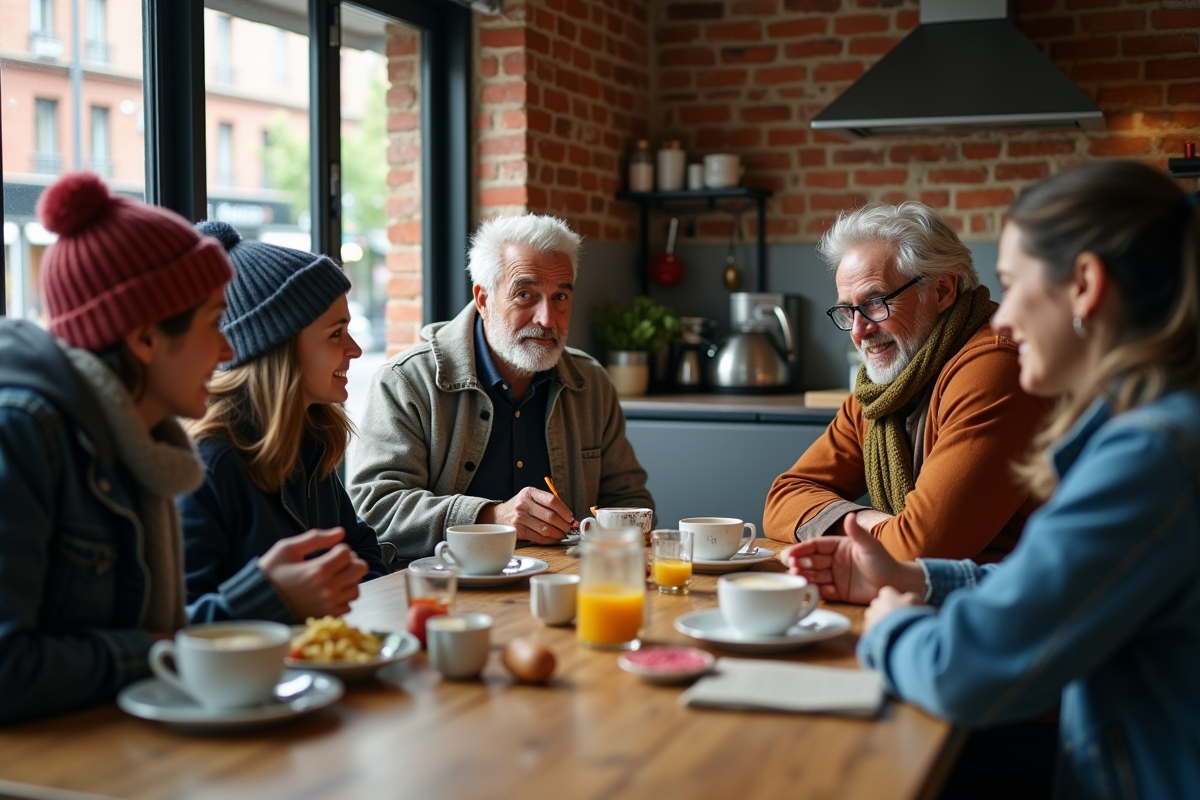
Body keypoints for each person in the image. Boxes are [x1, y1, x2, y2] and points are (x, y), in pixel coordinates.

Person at [785, 161, 1200, 799]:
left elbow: (964, 672)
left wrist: (893, 621)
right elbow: (1060, 578)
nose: (1003, 321)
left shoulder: (1148, 455)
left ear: (1085, 284)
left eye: (1013, 284)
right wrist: (916, 576)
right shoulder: (1154, 429)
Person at [0, 173, 234, 724]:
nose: (227, 349)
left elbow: (155, 637)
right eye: (214, 321)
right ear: (145, 337)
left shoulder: (143, 443)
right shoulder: (26, 433)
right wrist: (155, 649)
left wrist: (262, 597)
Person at [349, 214, 652, 564]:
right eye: (525, 294)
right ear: (483, 299)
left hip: (565, 588)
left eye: (560, 297)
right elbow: (374, 508)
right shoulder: (406, 381)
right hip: (446, 593)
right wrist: (491, 517)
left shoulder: (591, 382)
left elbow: (631, 501)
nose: (547, 319)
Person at [764, 202, 1051, 562]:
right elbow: (783, 498)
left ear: (943, 291)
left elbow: (921, 547)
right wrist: (867, 522)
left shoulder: (996, 367)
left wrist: (839, 523)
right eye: (848, 310)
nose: (858, 331)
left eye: (875, 303)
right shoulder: (881, 389)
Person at [179, 221, 387, 624]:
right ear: (280, 349)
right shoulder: (207, 465)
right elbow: (178, 628)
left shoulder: (312, 437)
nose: (356, 349)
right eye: (336, 333)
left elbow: (359, 547)